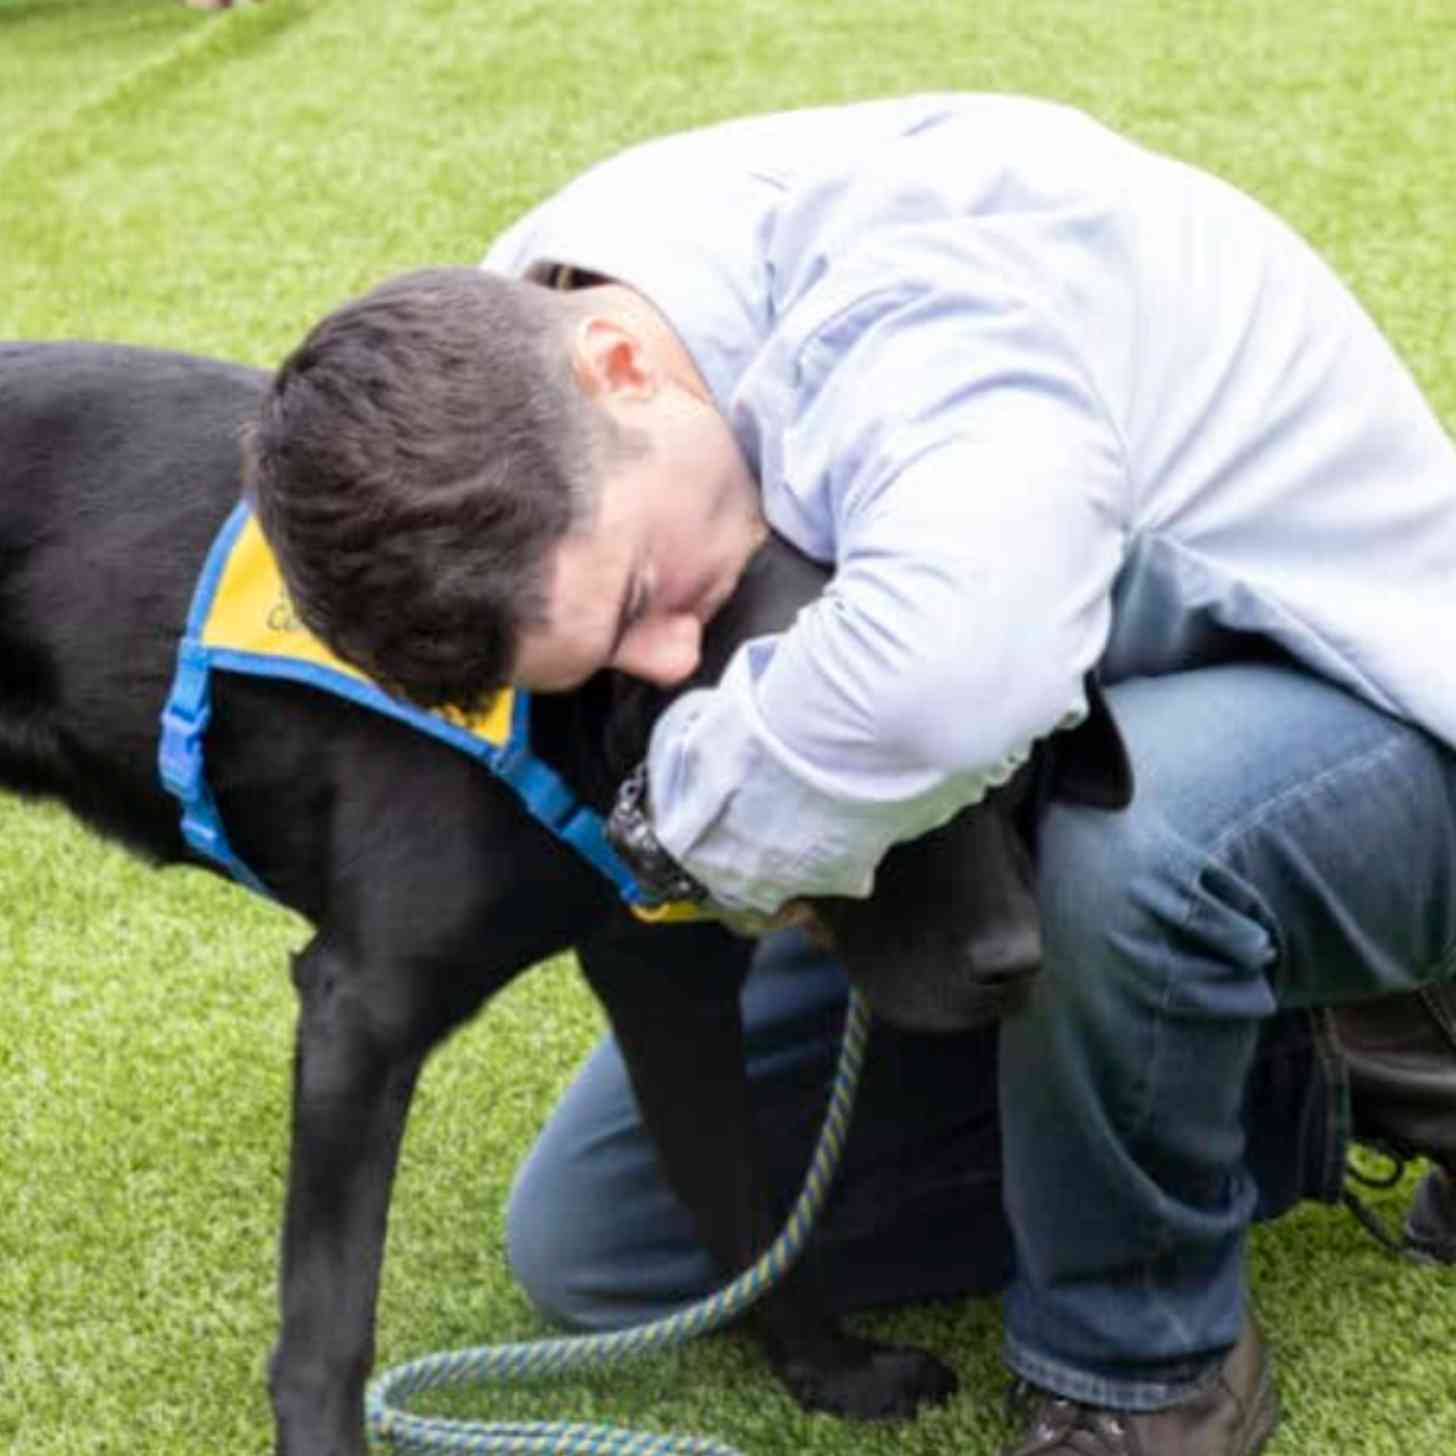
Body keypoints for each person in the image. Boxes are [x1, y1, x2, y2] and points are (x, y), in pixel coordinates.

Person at [243, 94, 1456, 1455]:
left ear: (623, 367)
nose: (665, 656)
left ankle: (1143, 1376)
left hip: (1373, 722)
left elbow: (948, 682)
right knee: (608, 1243)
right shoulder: (509, 349)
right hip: (1032, 772)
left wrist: (683, 821)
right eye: (598, 660)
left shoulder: (920, 285)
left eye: (644, 592)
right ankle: (1295, 1077)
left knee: (1129, 853)